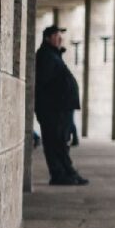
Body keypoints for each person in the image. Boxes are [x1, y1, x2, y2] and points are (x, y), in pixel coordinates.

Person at [35, 26, 88, 185]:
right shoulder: (46, 56)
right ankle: (60, 174)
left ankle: (67, 172)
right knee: (56, 142)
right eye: (57, 36)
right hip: (54, 109)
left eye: (60, 36)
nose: (60, 39)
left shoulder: (53, 55)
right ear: (47, 38)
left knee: (60, 142)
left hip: (60, 109)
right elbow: (44, 84)